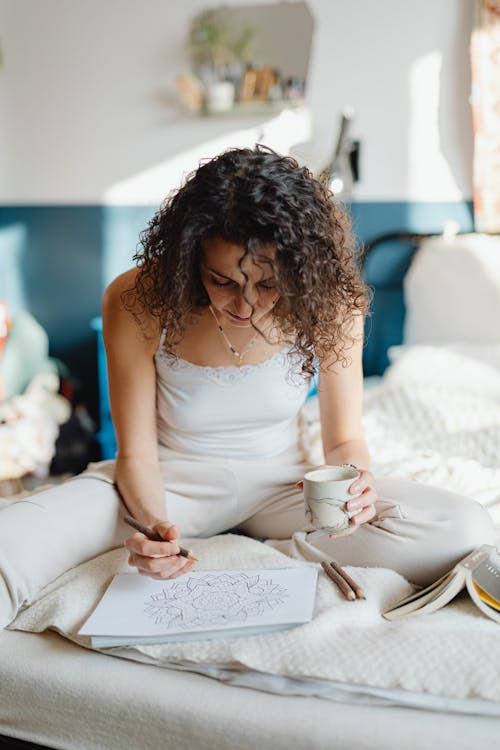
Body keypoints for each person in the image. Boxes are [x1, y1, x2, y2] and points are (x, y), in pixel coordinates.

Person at [0, 146, 494, 627]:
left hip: (285, 490)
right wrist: (156, 530)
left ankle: (275, 547)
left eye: (269, 285)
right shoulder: (137, 299)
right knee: (12, 539)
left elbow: (343, 440)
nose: (245, 305)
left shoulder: (332, 304)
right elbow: (137, 456)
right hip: (167, 486)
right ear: (191, 259)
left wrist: (354, 482)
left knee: (462, 527)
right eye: (223, 281)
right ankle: (261, 545)